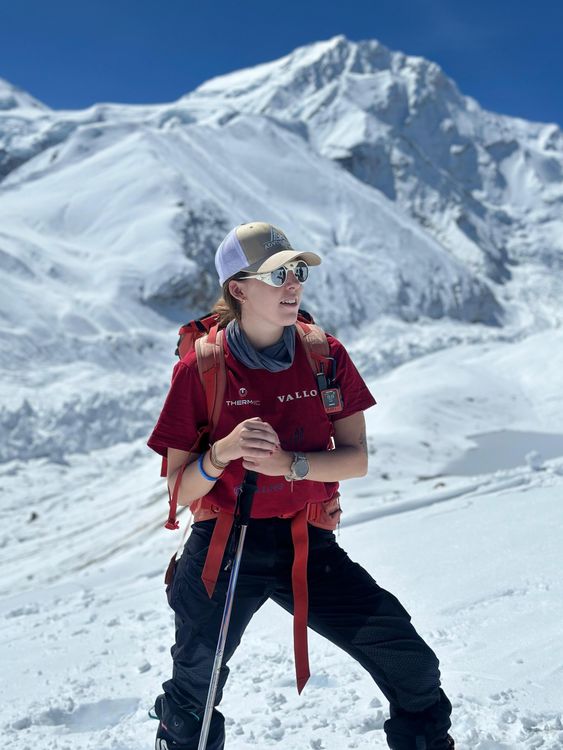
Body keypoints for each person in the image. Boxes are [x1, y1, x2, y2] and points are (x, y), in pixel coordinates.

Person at [147, 222, 454, 750]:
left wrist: (290, 464)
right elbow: (181, 491)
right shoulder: (202, 368)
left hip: (304, 543)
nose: (293, 283)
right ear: (238, 289)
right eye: (277, 274)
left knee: (411, 663)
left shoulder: (323, 354)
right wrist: (222, 453)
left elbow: (355, 460)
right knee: (193, 697)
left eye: (298, 271)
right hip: (225, 548)